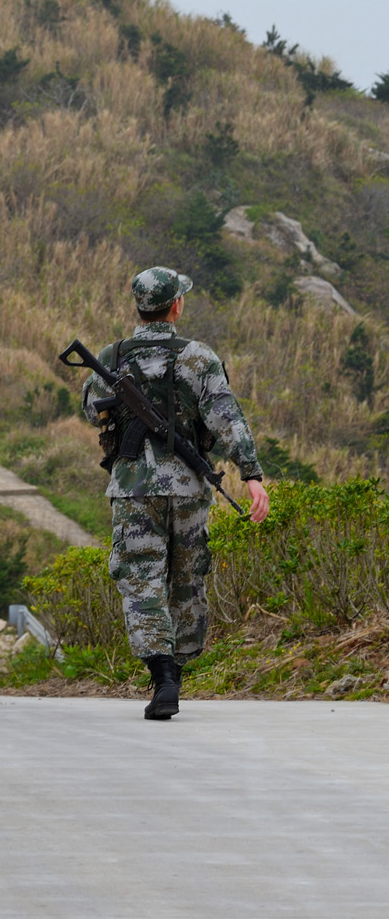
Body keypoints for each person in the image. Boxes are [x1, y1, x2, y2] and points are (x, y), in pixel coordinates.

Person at [81, 266, 269, 721]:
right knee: (187, 577)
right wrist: (251, 473)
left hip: (132, 488)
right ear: (176, 305)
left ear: (138, 307)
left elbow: (91, 410)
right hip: (187, 486)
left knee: (141, 578)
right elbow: (226, 415)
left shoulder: (114, 355)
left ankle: (162, 673)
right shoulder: (198, 357)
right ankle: (177, 671)